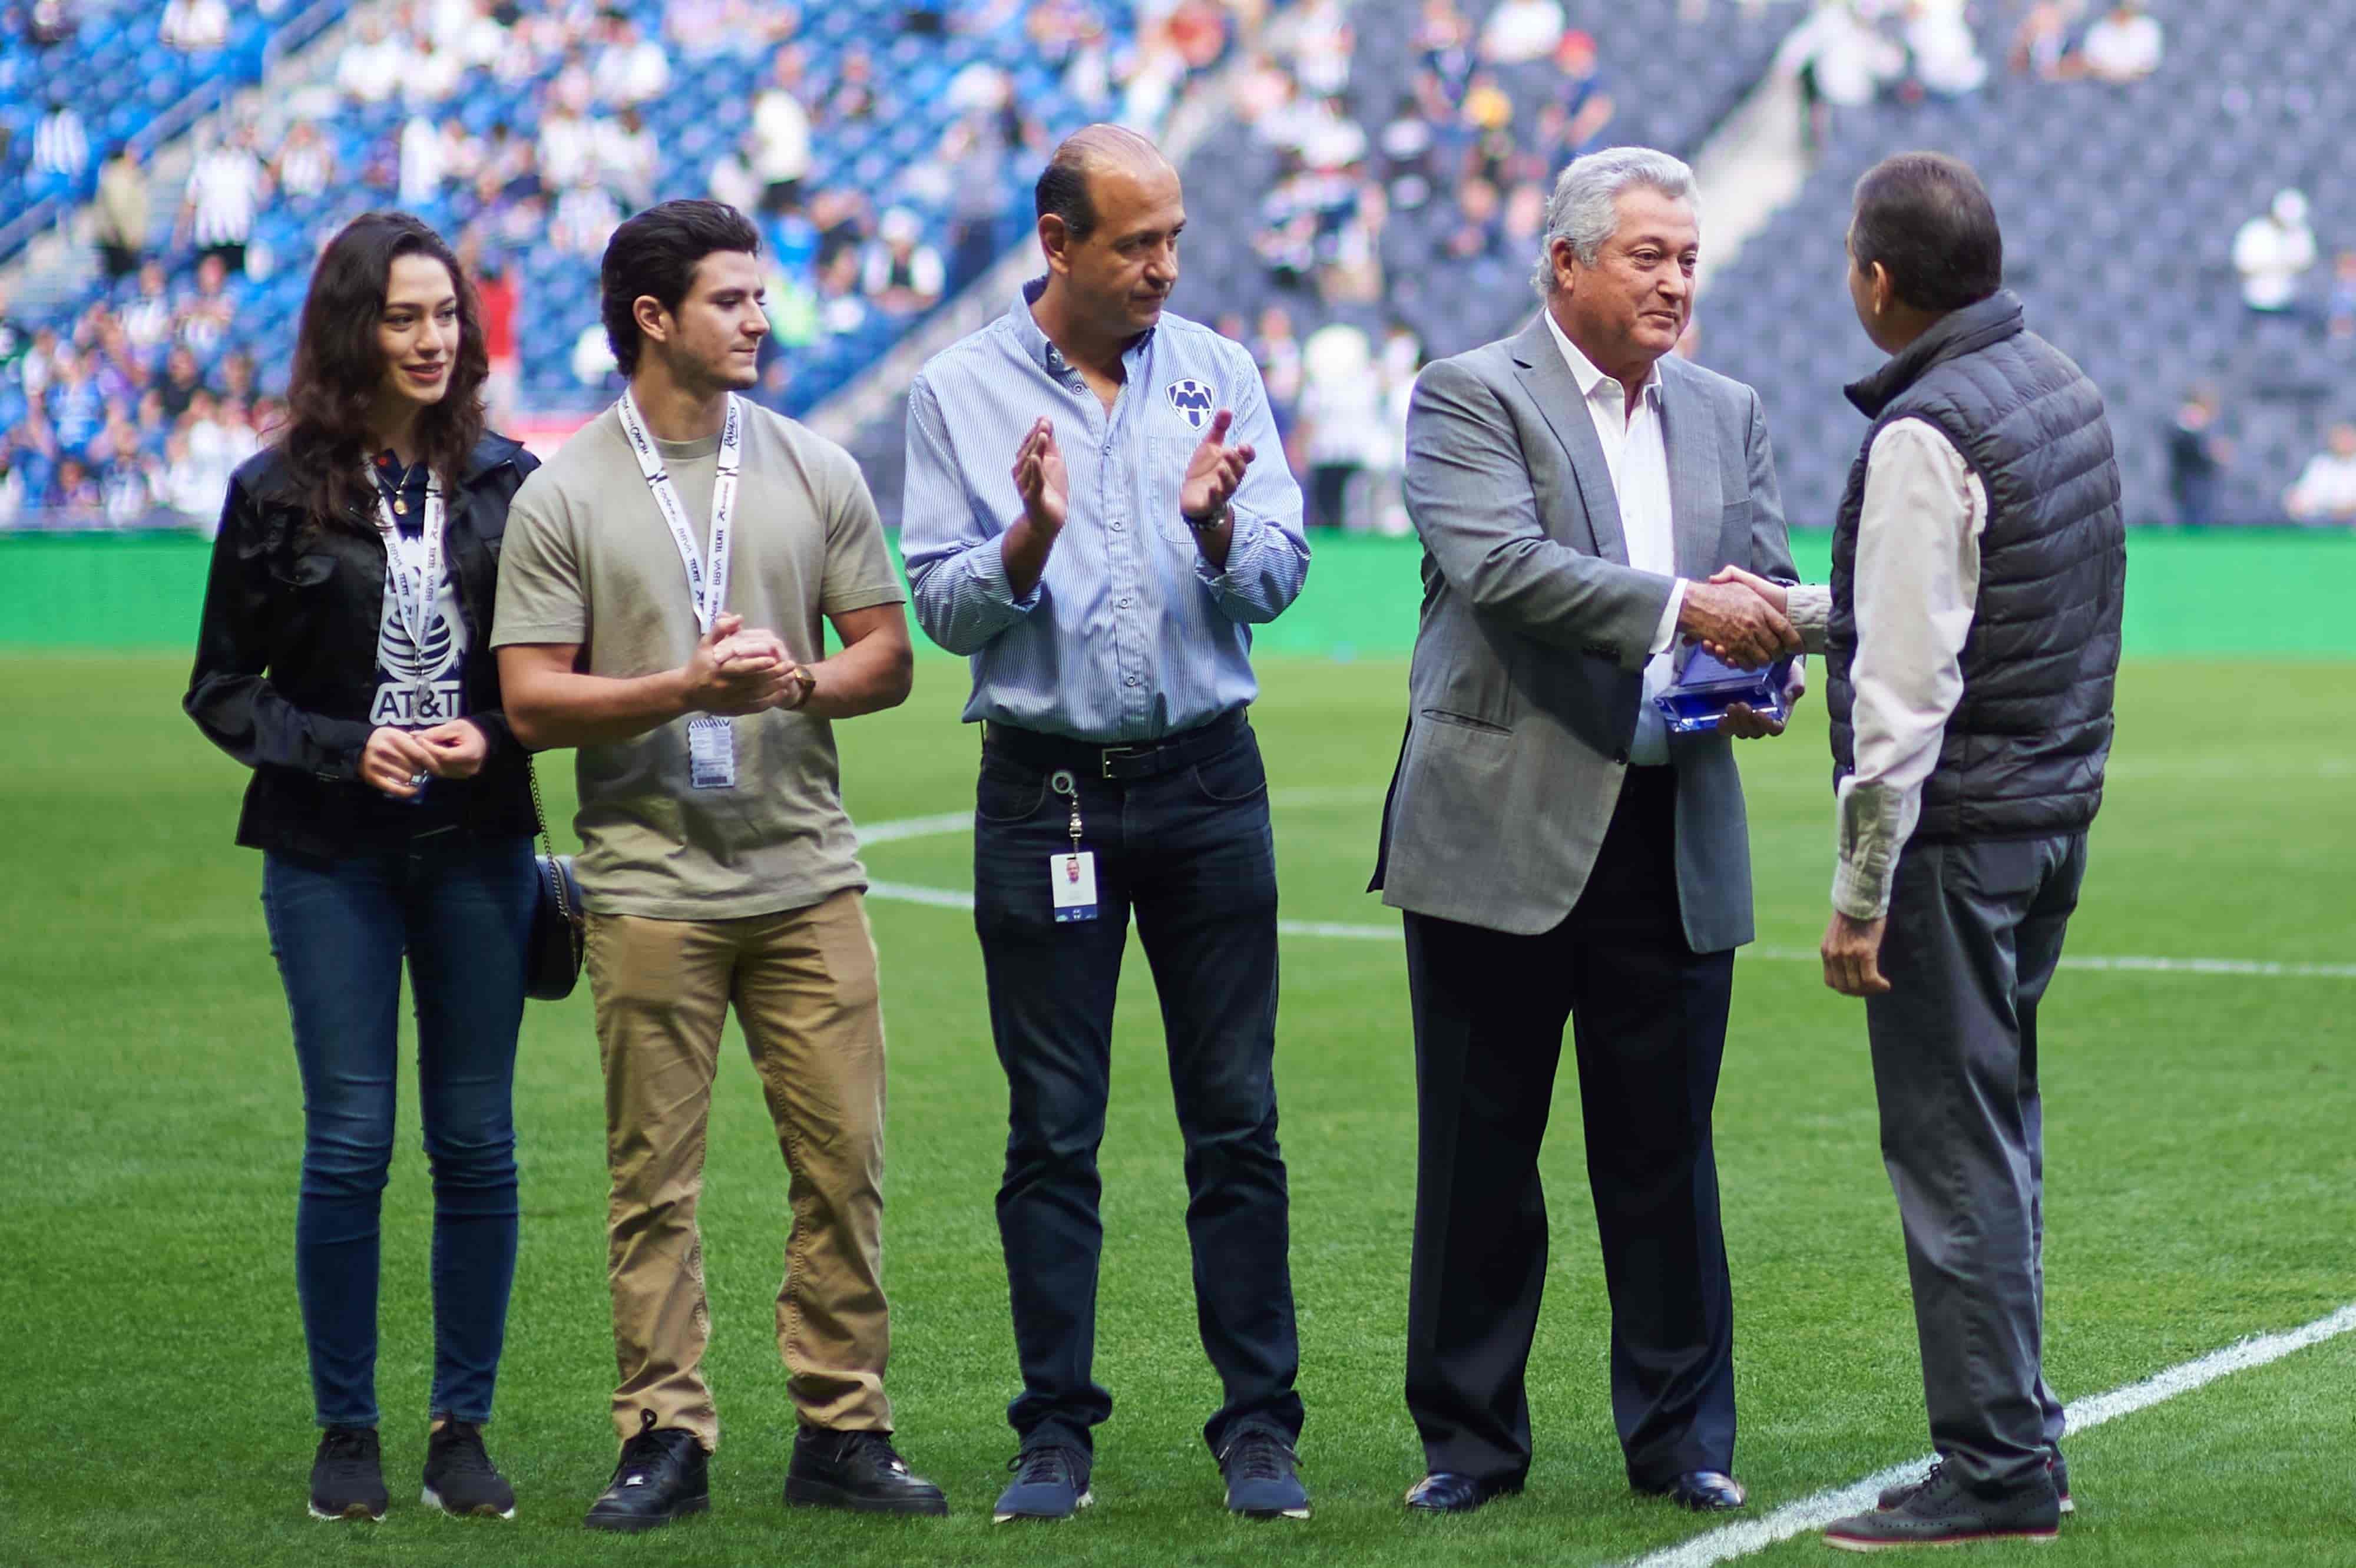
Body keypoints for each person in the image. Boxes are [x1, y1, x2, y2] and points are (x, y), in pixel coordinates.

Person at [489, 199, 940, 1533]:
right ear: (652, 317)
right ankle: (663, 1435)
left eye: (760, 296)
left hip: (808, 876)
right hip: (643, 888)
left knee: (843, 1165)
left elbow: (887, 652)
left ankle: (843, 1428)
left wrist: (793, 680)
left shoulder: (813, 465)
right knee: (653, 1185)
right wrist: (680, 686)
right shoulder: (565, 489)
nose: (761, 319)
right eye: (734, 299)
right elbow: (526, 700)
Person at [1370, 145, 1802, 1519]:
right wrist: (1694, 611)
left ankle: (1681, 1442)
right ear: (1565, 263)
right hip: (1498, 830)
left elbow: (1770, 580)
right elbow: (1499, 566)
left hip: (1671, 820)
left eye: (1685, 257)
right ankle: (1469, 1441)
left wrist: (1768, 662)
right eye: (1648, 256)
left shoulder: (1726, 409)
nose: (1677, 280)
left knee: (1664, 1154)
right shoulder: (1465, 395)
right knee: (1479, 1151)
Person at [898, 124, 1315, 1524]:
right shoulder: (955, 392)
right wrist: (1022, 540)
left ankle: (1259, 1426)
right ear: (1056, 242)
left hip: (1206, 780)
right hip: (1044, 791)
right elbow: (942, 606)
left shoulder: (1219, 374)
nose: (1162, 266)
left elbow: (1282, 572)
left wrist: (1210, 530)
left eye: (1173, 238)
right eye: (1134, 242)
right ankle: (1052, 1434)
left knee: (1236, 1119)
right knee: (1052, 1128)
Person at [1718, 151, 2124, 1552]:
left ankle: (2000, 1465)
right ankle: (2018, 1433)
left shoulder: (1922, 433)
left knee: (1950, 1154)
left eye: (1849, 256)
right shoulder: (2059, 387)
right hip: (2047, 819)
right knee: (1996, 1141)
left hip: (1953, 844)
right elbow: (1981, 599)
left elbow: (1904, 699)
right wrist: (1808, 609)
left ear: (1878, 281)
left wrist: (1855, 895)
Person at [183, 211, 543, 1525]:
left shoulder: (511, 479)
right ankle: (348, 1431)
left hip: (481, 847)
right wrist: (351, 747)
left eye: (445, 313)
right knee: (349, 1141)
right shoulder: (273, 491)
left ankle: (462, 1426)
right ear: (353, 330)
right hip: (329, 852)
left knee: (477, 1142)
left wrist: (488, 734)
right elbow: (223, 692)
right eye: (403, 317)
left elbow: (548, 682)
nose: (432, 337)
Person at [2282, 421, 2356, 523]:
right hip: (2322, 520)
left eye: (2348, 438)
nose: (2344, 443)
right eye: (2340, 439)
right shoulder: (2320, 464)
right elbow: (2303, 494)